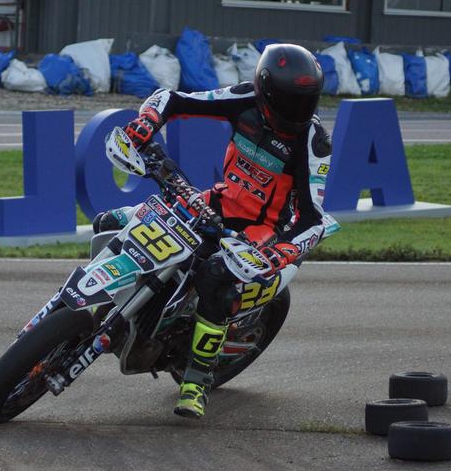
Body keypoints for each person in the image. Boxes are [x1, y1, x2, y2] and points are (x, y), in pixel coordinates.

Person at [94, 43, 334, 419]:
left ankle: (196, 379)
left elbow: (313, 218)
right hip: (215, 202)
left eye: (306, 100)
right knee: (109, 222)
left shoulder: (314, 142)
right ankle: (106, 303)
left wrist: (280, 252)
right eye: (289, 100)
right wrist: (146, 124)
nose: (297, 110)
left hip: (262, 230)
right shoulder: (244, 97)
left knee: (214, 275)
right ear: (266, 90)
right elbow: (173, 99)